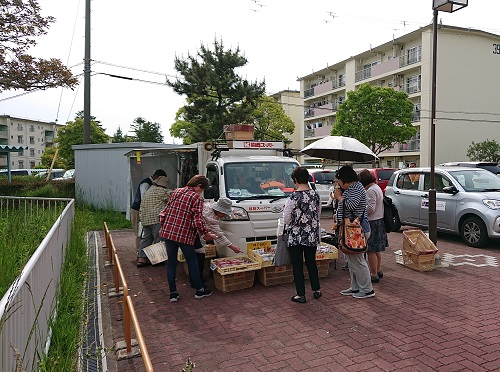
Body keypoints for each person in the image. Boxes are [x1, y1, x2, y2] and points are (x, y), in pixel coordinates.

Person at [159, 175, 216, 302]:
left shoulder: (176, 191)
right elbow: (197, 221)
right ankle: (199, 290)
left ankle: (173, 293)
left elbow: (166, 210)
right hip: (184, 235)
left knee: (171, 263)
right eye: (202, 189)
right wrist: (206, 234)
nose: (201, 192)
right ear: (199, 186)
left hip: (168, 232)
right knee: (192, 261)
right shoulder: (197, 198)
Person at [333, 165, 375, 299]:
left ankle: (367, 289)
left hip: (357, 230)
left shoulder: (356, 188)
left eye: (339, 181)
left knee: (358, 261)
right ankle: (356, 287)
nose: (338, 184)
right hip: (350, 230)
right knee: (352, 262)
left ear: (345, 179)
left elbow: (351, 205)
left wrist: (339, 197)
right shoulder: (352, 188)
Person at [283, 166, 322, 304]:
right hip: (311, 233)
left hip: (296, 235)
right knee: (311, 262)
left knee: (298, 265)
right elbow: (318, 213)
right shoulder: (315, 194)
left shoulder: (293, 197)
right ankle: (316, 290)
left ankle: (301, 294)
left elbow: (286, 218)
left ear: (295, 180)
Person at [191, 197, 243, 287]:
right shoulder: (210, 217)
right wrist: (232, 247)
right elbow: (218, 235)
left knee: (197, 256)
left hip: (197, 235)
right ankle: (197, 283)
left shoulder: (208, 207)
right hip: (192, 235)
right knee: (198, 257)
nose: (223, 216)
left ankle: (198, 279)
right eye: (224, 213)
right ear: (219, 210)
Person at [358, 169, 388, 283]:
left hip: (372, 222)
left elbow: (370, 208)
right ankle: (378, 271)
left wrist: (361, 212)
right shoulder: (377, 188)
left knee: (370, 250)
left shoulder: (370, 190)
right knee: (377, 250)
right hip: (379, 221)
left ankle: (374, 274)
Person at [136, 176, 172, 267]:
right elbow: (174, 195)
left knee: (146, 239)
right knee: (158, 238)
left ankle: (141, 258)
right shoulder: (161, 191)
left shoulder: (150, 190)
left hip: (145, 219)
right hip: (156, 219)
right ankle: (157, 259)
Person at [130, 169, 167, 250]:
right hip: (137, 209)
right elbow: (144, 197)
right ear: (157, 177)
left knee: (146, 234)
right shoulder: (146, 183)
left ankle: (142, 255)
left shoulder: (151, 184)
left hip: (144, 211)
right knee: (139, 233)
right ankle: (138, 250)